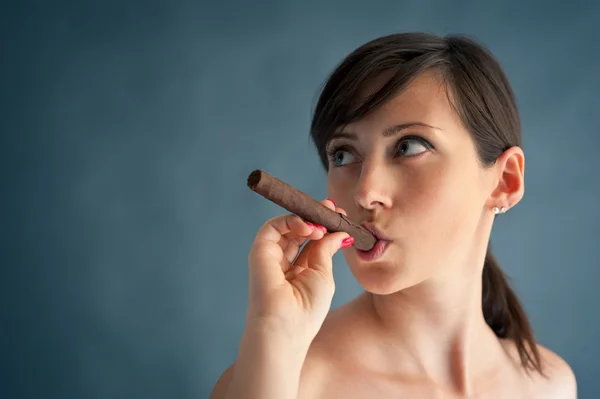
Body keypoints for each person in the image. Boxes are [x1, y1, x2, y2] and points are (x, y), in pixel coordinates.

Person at [210, 32, 577, 398]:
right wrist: (275, 333)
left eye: (408, 146)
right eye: (343, 154)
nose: (365, 193)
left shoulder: (550, 386)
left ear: (505, 181)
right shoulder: (280, 381)